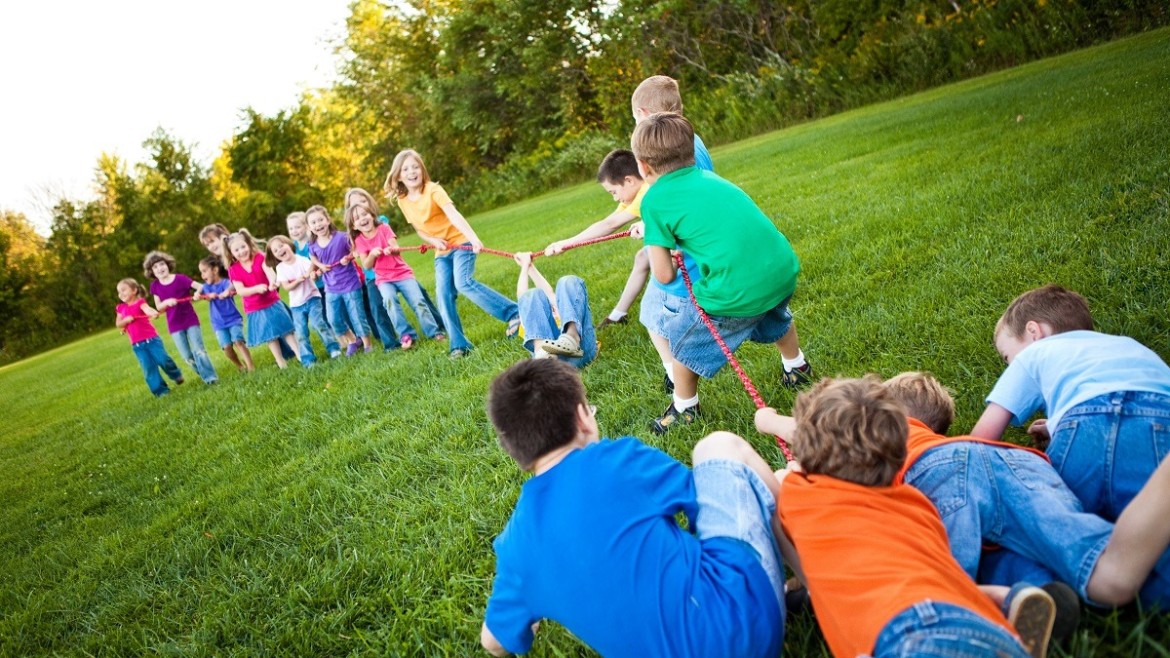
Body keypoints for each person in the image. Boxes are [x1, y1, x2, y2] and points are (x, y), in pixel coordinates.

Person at [480, 359, 789, 658]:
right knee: (719, 447)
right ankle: (807, 569)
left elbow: (492, 642)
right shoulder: (618, 460)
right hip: (745, 629)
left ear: (514, 450)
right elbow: (703, 498)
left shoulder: (514, 546)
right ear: (583, 418)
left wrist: (529, 613)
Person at [767, 376, 1056, 658]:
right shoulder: (917, 503)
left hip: (910, 629)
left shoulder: (802, 492)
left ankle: (1006, 601)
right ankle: (1006, 604)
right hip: (978, 621)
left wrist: (781, 450)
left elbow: (774, 484)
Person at [876, 371, 1170, 610]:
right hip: (1019, 461)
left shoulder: (882, 433)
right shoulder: (938, 440)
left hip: (942, 469)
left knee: (945, 575)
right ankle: (1042, 591)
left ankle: (954, 619)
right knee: (1073, 545)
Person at [633, 112, 811, 433]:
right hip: (781, 270)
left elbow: (663, 275)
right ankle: (796, 367)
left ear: (644, 167)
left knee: (683, 341)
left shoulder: (654, 201)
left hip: (737, 289)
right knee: (773, 314)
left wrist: (661, 248)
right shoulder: (709, 178)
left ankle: (685, 408)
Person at [970, 284, 1170, 521]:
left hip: (1084, 430)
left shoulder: (1033, 354)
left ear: (1034, 332)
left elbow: (982, 437)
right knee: (1154, 526)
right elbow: (1118, 398)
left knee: (1066, 524)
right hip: (1160, 419)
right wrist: (1054, 424)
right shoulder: (1130, 346)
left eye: (1007, 357)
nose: (1009, 365)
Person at [384, 149, 519, 359]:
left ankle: (514, 313)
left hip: (461, 242)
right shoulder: (403, 200)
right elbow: (419, 229)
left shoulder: (434, 190)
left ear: (422, 169)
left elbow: (453, 215)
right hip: (442, 251)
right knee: (443, 294)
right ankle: (459, 344)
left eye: (415, 167)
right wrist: (432, 240)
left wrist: (473, 238)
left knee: (463, 282)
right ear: (399, 176)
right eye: (406, 169)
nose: (412, 172)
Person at [344, 187, 445, 337]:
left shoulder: (383, 226)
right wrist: (370, 255)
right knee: (387, 302)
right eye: (356, 212)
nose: (362, 216)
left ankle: (435, 330)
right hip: (381, 278)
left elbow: (395, 247)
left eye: (363, 205)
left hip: (400, 272)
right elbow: (365, 263)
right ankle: (405, 336)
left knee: (419, 299)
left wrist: (391, 249)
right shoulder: (358, 239)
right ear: (353, 223)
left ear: (371, 211)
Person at [221, 229, 301, 369]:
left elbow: (270, 273)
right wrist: (256, 289)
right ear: (231, 253)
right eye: (236, 250)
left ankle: (299, 354)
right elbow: (240, 290)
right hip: (255, 307)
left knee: (286, 329)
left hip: (272, 302)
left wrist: (272, 283)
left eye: (243, 247)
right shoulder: (234, 269)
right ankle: (280, 361)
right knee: (270, 336)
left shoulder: (260, 257)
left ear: (248, 244)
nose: (241, 251)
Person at [306, 205, 373, 356]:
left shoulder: (342, 237)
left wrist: (348, 257)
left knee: (357, 316)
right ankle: (353, 340)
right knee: (333, 319)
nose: (318, 224)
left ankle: (367, 344)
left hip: (350, 284)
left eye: (320, 220)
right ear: (309, 227)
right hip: (331, 288)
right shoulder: (312, 244)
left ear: (328, 220)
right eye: (313, 222)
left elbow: (355, 251)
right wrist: (319, 267)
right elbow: (313, 257)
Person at [143, 251, 218, 385]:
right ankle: (203, 373)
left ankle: (210, 378)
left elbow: (201, 286)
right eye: (155, 267)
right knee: (187, 356)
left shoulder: (180, 279)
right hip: (174, 325)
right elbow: (159, 307)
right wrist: (167, 302)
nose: (160, 268)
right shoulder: (155, 286)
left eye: (162, 264)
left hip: (190, 320)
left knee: (199, 351)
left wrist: (197, 293)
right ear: (151, 271)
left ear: (167, 265)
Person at [510, 252, 596, 367]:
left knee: (567, 281)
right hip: (548, 362)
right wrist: (525, 265)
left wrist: (530, 266)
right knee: (530, 294)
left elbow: (549, 292)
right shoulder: (532, 318)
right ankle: (542, 351)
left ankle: (571, 337)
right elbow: (523, 296)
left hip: (580, 352)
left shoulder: (564, 308)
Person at [267, 235, 341, 364]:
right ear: (274, 256)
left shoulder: (302, 260)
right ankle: (308, 359)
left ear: (289, 245)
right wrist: (298, 280)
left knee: (319, 324)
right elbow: (287, 287)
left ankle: (333, 349)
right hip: (296, 305)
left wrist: (314, 275)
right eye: (275, 250)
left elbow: (312, 275)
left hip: (312, 298)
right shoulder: (280, 268)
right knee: (301, 333)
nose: (280, 250)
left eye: (281, 245)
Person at [115, 278, 185, 397]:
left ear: (134, 290)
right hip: (137, 345)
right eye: (119, 292)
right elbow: (118, 324)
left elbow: (147, 309)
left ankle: (175, 374)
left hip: (152, 340)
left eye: (123, 290)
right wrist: (125, 320)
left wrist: (152, 313)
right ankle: (161, 391)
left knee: (163, 359)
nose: (121, 294)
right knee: (148, 368)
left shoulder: (140, 302)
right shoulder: (121, 308)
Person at [196, 256, 254, 372]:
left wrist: (227, 291)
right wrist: (201, 295)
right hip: (218, 323)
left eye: (204, 271)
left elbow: (233, 284)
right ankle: (240, 366)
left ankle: (250, 366)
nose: (202, 275)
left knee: (238, 341)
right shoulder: (206, 287)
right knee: (227, 347)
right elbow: (200, 292)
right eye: (201, 272)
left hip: (233, 319)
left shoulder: (226, 283)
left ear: (215, 270)